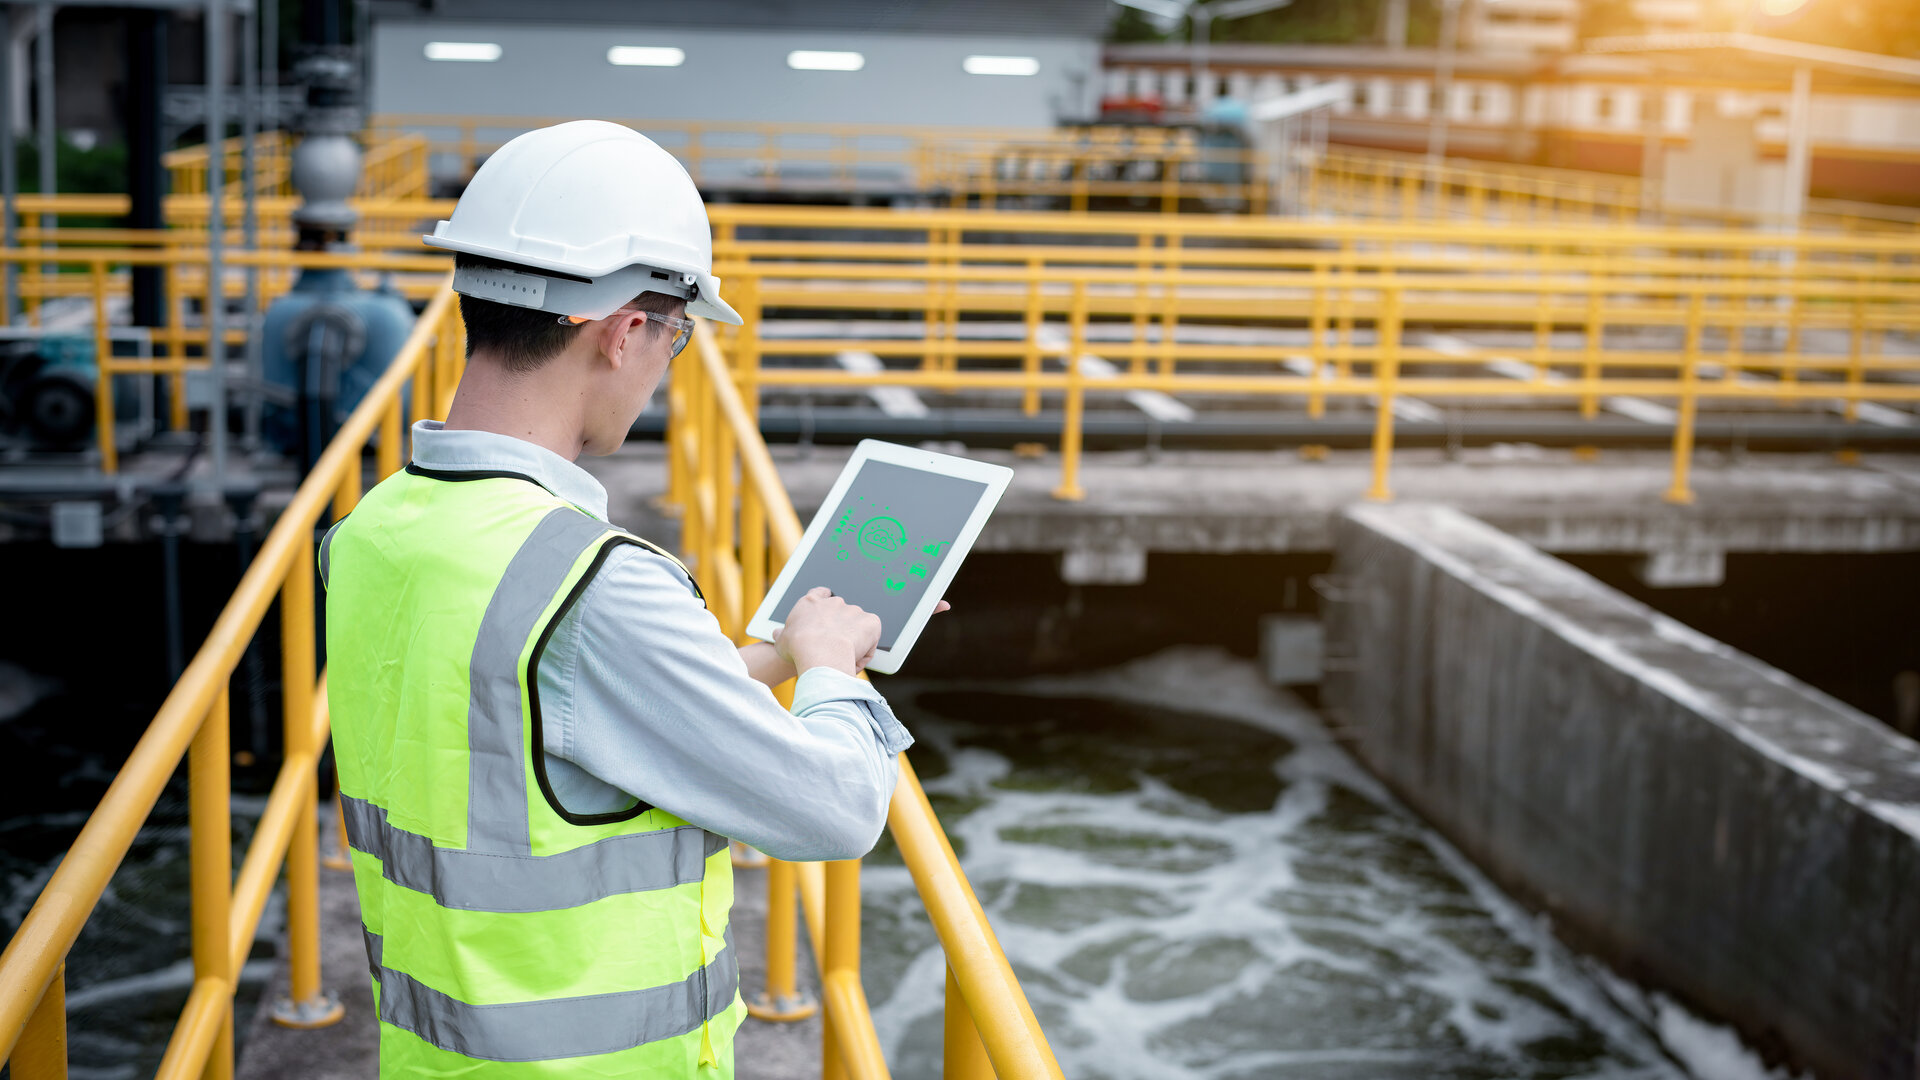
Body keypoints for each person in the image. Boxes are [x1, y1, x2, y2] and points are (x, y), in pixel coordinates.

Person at [321, 120, 920, 1078]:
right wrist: (832, 673)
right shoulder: (594, 580)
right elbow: (838, 811)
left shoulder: (372, 530)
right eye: (678, 338)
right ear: (625, 331)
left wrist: (771, 656)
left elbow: (520, 710)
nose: (665, 369)